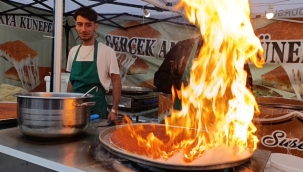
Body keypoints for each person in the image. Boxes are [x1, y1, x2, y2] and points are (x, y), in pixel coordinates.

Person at [154, 37, 253, 110]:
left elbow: (247, 89)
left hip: (219, 124)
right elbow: (160, 78)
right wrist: (185, 86)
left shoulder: (235, 54)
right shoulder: (183, 48)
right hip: (185, 121)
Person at [66, 7, 121, 121]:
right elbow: (71, 83)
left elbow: (116, 81)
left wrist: (114, 110)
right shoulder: (73, 51)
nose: (83, 29)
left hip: (97, 107)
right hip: (75, 107)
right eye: (80, 24)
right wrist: (67, 105)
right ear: (75, 25)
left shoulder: (107, 51)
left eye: (88, 25)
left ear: (95, 26)